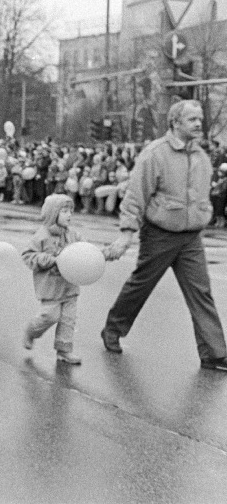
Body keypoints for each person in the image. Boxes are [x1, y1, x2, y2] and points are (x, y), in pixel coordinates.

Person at [102, 100, 227, 371]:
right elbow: (136, 195)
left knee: (201, 292)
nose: (198, 124)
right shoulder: (155, 154)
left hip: (191, 237)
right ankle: (113, 329)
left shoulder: (201, 157)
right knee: (141, 286)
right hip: (159, 234)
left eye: (200, 119)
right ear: (175, 122)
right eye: (192, 119)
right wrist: (126, 234)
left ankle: (214, 353)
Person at [21, 194, 83, 364]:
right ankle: (31, 331)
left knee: (68, 320)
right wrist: (48, 259)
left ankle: (64, 351)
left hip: (70, 286)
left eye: (70, 211)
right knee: (49, 316)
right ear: (52, 213)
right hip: (51, 287)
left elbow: (84, 251)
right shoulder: (42, 235)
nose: (69, 215)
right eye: (64, 211)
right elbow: (28, 256)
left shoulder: (73, 235)